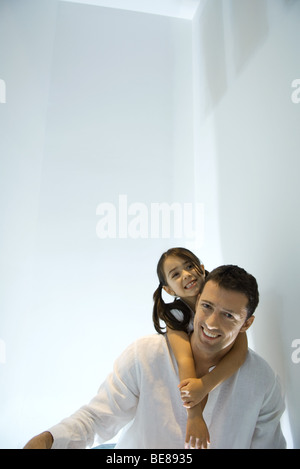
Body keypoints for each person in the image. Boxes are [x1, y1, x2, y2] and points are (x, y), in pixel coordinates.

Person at [24, 265, 286, 449]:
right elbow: (97, 419)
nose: (212, 323)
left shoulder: (263, 383)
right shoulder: (145, 355)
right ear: (197, 302)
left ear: (247, 324)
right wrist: (49, 439)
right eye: (207, 307)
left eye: (229, 315)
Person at [152, 248, 248, 448]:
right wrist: (194, 416)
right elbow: (185, 360)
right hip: (188, 389)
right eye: (175, 274)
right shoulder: (176, 317)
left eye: (189, 266)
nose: (186, 274)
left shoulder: (225, 300)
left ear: (202, 269)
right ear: (169, 289)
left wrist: (206, 385)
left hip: (213, 382)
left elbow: (240, 353)